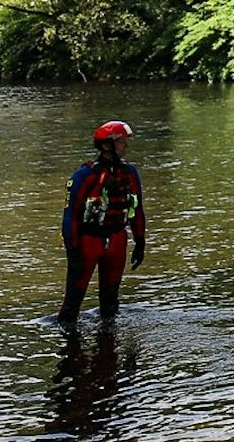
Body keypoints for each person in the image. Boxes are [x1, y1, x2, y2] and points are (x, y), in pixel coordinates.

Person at [57, 121, 146, 327]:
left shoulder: (130, 173)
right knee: (72, 306)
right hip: (88, 242)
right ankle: (69, 350)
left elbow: (136, 209)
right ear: (107, 146)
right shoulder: (84, 176)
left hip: (116, 240)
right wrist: (74, 252)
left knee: (110, 305)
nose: (126, 146)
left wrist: (140, 241)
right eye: (122, 142)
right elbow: (70, 217)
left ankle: (108, 348)